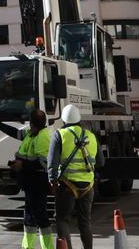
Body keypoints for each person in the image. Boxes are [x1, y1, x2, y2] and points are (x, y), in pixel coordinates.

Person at [0, 109, 54, 249]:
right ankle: (29, 246)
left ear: (32, 123)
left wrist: (22, 164)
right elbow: (15, 133)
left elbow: (45, 164)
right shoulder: (32, 134)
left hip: (37, 183)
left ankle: (46, 247)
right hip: (30, 183)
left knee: (39, 215)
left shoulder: (42, 137)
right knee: (31, 215)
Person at [49, 104, 98, 249]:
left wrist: (52, 181)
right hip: (88, 186)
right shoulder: (90, 136)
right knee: (85, 221)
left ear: (63, 120)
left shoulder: (60, 135)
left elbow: (52, 162)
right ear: (79, 119)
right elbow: (100, 161)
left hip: (67, 186)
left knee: (62, 219)